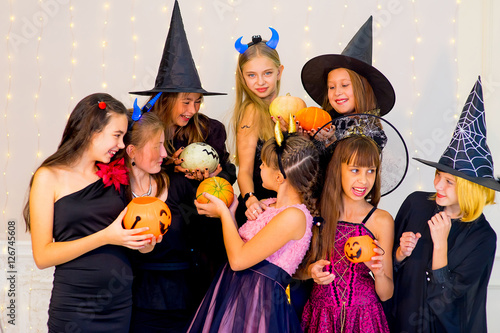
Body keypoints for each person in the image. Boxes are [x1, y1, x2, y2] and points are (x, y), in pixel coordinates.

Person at [23, 93, 155, 332]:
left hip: (119, 303)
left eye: (124, 137)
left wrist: (146, 242)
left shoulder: (118, 174)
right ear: (92, 130)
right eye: (117, 135)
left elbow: (130, 236)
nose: (122, 145)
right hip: (75, 308)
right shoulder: (48, 177)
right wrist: (105, 236)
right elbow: (42, 256)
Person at [386, 77, 498, 332]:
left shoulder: (482, 238)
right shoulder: (416, 205)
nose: (437, 185)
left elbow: (452, 304)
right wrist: (399, 255)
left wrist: (440, 244)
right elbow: (386, 274)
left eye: (449, 181)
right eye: (438, 175)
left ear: (470, 187)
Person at [187, 132, 321, 333]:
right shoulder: (267, 204)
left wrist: (223, 214)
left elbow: (238, 260)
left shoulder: (295, 216)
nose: (259, 167)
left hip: (258, 304)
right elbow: (242, 247)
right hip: (233, 290)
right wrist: (231, 213)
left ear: (279, 177)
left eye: (264, 164)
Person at [300, 114, 405, 333]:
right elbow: (295, 270)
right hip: (321, 317)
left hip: (365, 317)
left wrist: (379, 272)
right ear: (338, 169)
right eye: (355, 170)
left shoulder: (381, 220)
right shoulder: (316, 210)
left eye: (371, 171)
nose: (364, 180)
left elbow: (386, 293)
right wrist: (311, 271)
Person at [130, 0, 235, 185]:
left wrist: (215, 177)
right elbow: (130, 171)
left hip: (198, 211)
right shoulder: (141, 128)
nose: (193, 110)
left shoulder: (209, 130)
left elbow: (228, 171)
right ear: (166, 99)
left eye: (198, 101)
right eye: (186, 102)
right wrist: (169, 167)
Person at [118, 111, 202, 332]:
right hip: (137, 302)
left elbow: (203, 235)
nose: (165, 153)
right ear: (131, 151)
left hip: (184, 298)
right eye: (157, 146)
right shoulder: (114, 194)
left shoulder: (180, 185)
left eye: (164, 145)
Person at [231, 27, 284, 226]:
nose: (260, 82)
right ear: (242, 77)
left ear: (279, 72)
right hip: (259, 209)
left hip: (283, 207)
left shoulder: (287, 111)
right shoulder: (251, 111)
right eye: (251, 75)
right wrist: (250, 199)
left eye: (267, 73)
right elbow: (244, 170)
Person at [301, 16, 395, 123]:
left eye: (345, 85)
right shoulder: (323, 128)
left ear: (364, 89)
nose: (337, 92)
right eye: (331, 87)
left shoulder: (373, 135)